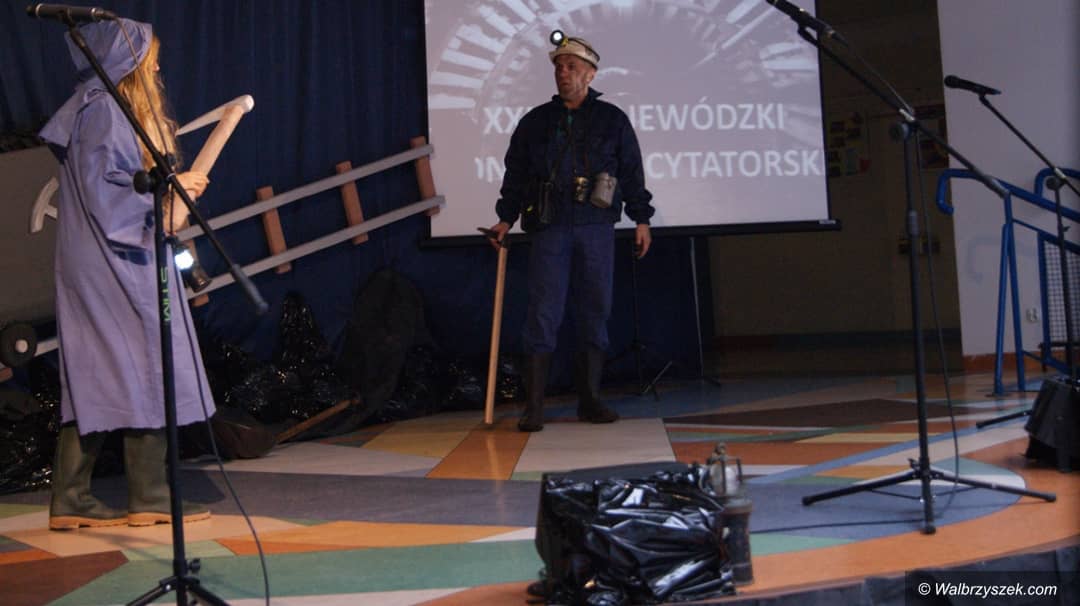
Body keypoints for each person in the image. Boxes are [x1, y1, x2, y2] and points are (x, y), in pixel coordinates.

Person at [39, 19, 215, 529]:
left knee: (100, 369)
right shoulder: (106, 114)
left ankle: (72, 497)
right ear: (126, 64)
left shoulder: (98, 111)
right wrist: (169, 196)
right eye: (149, 60)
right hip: (116, 258)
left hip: (103, 256)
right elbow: (110, 195)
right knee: (147, 358)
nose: (156, 70)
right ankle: (149, 494)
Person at [487, 36, 655, 432]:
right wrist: (505, 218)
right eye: (559, 67)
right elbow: (516, 173)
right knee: (542, 314)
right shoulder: (536, 122)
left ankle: (590, 400)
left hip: (596, 226)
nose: (563, 73)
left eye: (571, 67)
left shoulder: (612, 120)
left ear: (591, 74)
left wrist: (642, 218)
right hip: (551, 227)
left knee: (595, 311)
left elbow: (631, 171)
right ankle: (534, 407)